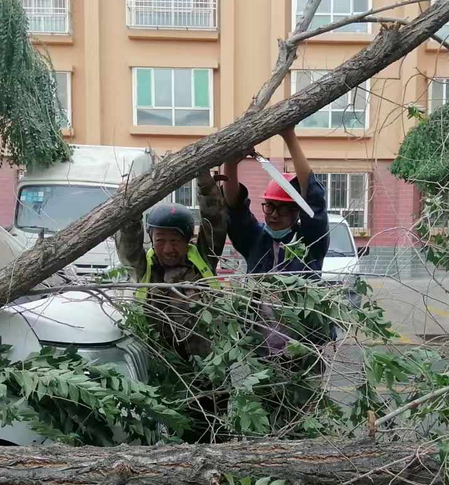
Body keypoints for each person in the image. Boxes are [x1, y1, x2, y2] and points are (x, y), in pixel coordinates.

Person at [114, 177, 224, 358]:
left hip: (208, 367)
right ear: (151, 238)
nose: (167, 249)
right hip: (160, 367)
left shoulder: (203, 259)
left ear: (188, 239)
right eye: (160, 241)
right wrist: (129, 206)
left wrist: (205, 183)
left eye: (174, 241)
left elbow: (215, 221)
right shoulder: (143, 267)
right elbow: (127, 242)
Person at [221, 126, 328, 275]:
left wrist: (289, 135)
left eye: (283, 208)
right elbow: (235, 207)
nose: (274, 215)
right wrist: (230, 162)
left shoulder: (310, 242)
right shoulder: (254, 240)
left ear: (297, 211)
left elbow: (313, 200)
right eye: (270, 206)